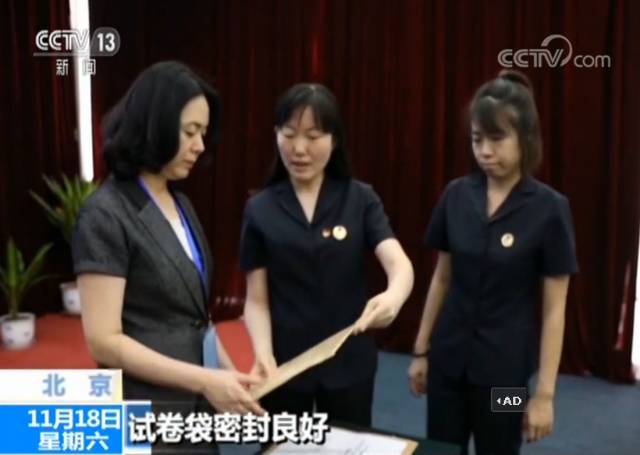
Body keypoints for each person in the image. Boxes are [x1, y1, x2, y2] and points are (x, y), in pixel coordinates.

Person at [72, 61, 264, 453]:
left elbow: (196, 317)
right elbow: (103, 342)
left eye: (203, 133)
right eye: (190, 132)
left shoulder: (181, 203)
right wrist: (205, 380)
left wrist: (229, 376)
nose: (200, 146)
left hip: (196, 406)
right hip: (146, 411)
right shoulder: (106, 213)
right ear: (154, 124)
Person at [408, 69, 578, 455]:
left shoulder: (550, 209)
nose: (485, 151)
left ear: (526, 138)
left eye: (497, 139)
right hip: (448, 365)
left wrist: (544, 395)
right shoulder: (456, 196)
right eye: (476, 139)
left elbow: (555, 310)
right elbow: (441, 278)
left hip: (506, 378)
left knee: (499, 448)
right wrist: (420, 350)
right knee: (440, 450)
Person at [240, 83, 414, 428]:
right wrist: (263, 353)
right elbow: (256, 300)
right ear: (276, 135)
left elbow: (399, 264)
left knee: (349, 444)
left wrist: (394, 296)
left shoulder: (360, 199)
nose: (299, 149)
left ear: (334, 140)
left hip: (349, 362)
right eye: (289, 134)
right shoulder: (259, 209)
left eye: (313, 136)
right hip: (286, 365)